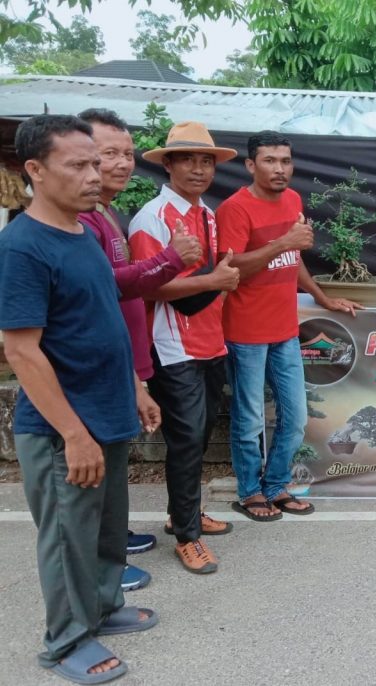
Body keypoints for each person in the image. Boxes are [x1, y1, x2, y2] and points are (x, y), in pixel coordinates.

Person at [0, 114, 159, 684]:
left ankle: (103, 607)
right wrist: (72, 432)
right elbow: (21, 351)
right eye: (80, 165)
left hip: (109, 410)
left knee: (106, 526)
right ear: (35, 171)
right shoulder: (22, 246)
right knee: (68, 535)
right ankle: (66, 641)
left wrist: (135, 388)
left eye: (97, 162)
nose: (97, 175)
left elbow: (102, 317)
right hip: (62, 426)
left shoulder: (82, 229)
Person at [77, 107, 203, 592]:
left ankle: (112, 539)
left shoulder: (110, 213)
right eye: (108, 153)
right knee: (92, 471)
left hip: (126, 359)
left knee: (113, 463)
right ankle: (99, 565)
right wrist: (174, 261)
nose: (121, 163)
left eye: (127, 154)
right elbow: (107, 288)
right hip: (102, 365)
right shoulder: (83, 220)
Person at [216, 130, 361, 521]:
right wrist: (283, 242)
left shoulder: (294, 200)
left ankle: (276, 485)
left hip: (285, 329)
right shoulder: (235, 208)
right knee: (249, 421)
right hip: (245, 332)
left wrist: (322, 297)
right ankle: (250, 492)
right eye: (269, 160)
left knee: (296, 419)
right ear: (250, 165)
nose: (279, 168)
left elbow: (293, 259)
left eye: (285, 160)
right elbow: (229, 269)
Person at [128, 121, 241, 574]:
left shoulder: (208, 215)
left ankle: (185, 514)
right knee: (186, 440)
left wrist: (216, 282)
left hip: (210, 340)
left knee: (198, 435)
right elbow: (143, 287)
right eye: (188, 159)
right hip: (174, 347)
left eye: (206, 161)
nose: (198, 169)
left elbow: (207, 281)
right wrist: (215, 280)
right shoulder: (151, 219)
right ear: (168, 164)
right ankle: (187, 536)